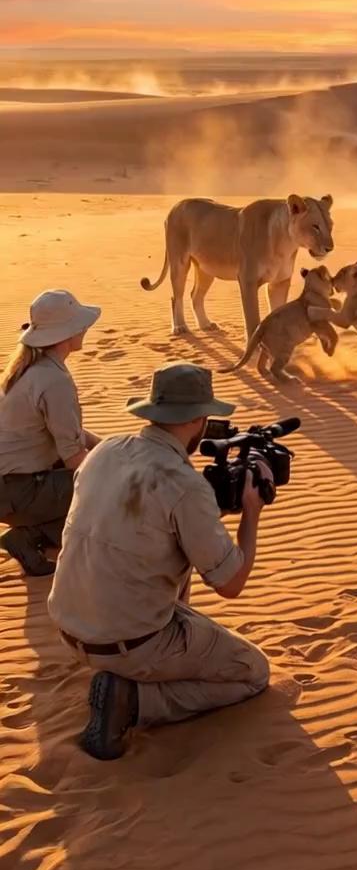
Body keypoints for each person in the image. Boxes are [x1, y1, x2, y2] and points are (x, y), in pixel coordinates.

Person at [48, 363, 272, 760]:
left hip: (69, 626)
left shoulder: (104, 451)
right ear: (199, 420)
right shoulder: (184, 484)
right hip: (127, 644)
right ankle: (134, 701)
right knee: (253, 671)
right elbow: (231, 584)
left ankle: (137, 673)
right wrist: (251, 511)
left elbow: (144, 525)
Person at [0, 289, 101, 577]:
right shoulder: (54, 380)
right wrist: (117, 467)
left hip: (10, 487)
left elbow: (69, 433)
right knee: (106, 488)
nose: (84, 329)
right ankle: (34, 536)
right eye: (79, 325)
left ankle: (32, 533)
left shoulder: (28, 368)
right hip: (17, 491)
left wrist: (108, 446)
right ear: (66, 334)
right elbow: (74, 459)